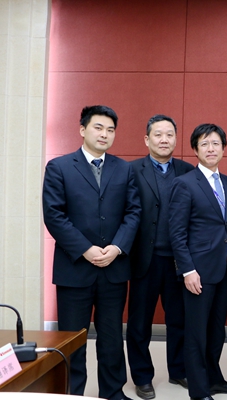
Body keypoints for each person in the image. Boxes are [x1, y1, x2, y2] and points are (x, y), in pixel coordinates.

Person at [42, 105, 141, 400]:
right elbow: (54, 215)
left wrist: (117, 247)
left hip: (114, 268)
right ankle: (72, 394)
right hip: (74, 268)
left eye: (110, 130)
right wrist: (85, 249)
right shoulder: (59, 167)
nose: (104, 134)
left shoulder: (124, 168)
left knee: (111, 338)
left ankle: (113, 392)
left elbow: (133, 212)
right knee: (73, 340)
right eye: (98, 128)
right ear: (83, 129)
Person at [169, 123, 227, 400]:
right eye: (204, 144)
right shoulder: (185, 183)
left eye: (215, 143)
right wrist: (187, 270)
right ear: (195, 150)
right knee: (196, 334)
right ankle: (199, 390)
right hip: (198, 272)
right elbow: (177, 232)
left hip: (224, 269)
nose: (210, 149)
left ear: (223, 148)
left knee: (216, 331)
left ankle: (214, 379)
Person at [126, 115, 195, 399]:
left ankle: (178, 370)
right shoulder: (131, 170)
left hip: (179, 260)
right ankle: (142, 377)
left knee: (179, 320)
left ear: (176, 139)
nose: (164, 139)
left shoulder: (188, 171)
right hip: (145, 258)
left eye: (169, 134)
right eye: (158, 134)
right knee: (139, 322)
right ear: (147, 139)